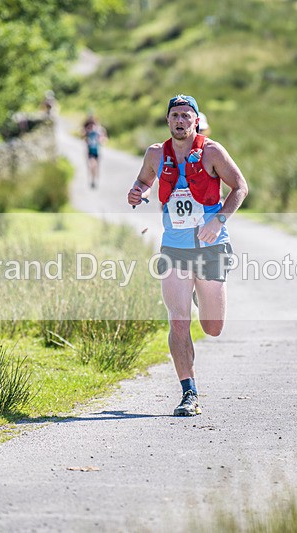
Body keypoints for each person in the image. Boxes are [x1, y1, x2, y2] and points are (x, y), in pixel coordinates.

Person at [127, 95, 249, 416]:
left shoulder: (211, 151)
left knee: (212, 327)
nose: (180, 120)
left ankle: (203, 296)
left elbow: (240, 187)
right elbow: (144, 181)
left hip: (210, 246)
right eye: (174, 115)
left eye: (186, 115)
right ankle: (188, 392)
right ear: (168, 121)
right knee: (178, 320)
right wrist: (138, 191)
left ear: (196, 121)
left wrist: (218, 219)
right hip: (175, 248)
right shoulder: (156, 154)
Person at [82, 113, 108, 189]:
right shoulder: (87, 130)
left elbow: (104, 139)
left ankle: (95, 180)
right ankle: (92, 180)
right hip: (89, 151)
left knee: (96, 166)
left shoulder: (100, 130)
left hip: (97, 151)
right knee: (91, 165)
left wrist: (101, 140)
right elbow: (82, 136)